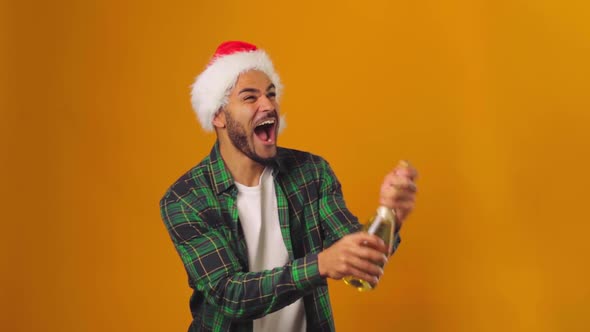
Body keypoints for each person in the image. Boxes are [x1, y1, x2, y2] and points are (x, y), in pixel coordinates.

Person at [160, 41, 418, 332]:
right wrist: (319, 265)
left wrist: (389, 215)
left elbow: (356, 256)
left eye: (271, 94)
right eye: (250, 97)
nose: (268, 104)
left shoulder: (312, 173)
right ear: (218, 115)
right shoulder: (186, 199)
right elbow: (228, 294)